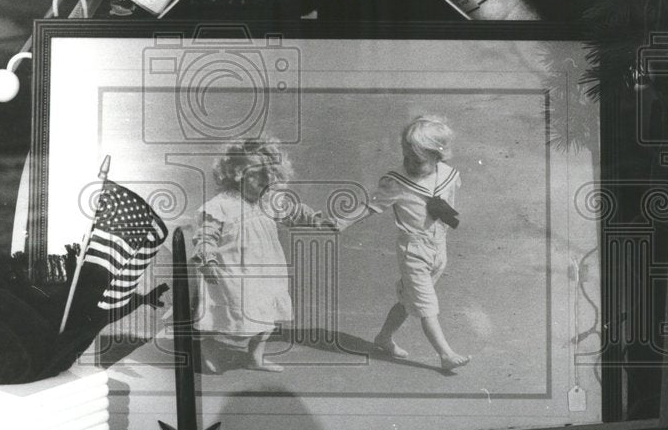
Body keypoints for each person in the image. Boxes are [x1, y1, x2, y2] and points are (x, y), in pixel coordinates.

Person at [191, 139, 333, 373]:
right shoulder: (221, 206)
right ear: (237, 173)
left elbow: (292, 212)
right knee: (235, 316)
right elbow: (206, 235)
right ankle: (208, 346)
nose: (266, 182)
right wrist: (208, 259)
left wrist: (313, 219)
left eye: (271, 176)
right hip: (235, 273)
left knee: (267, 316)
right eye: (259, 175)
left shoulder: (268, 201)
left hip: (266, 271)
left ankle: (255, 357)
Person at [344, 116, 470, 372]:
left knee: (407, 301)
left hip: (438, 249)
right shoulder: (396, 182)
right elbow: (371, 206)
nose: (410, 164)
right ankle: (445, 354)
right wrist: (342, 220)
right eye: (406, 157)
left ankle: (383, 338)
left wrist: (447, 219)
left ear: (438, 156)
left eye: (418, 160)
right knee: (427, 306)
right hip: (413, 251)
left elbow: (449, 203)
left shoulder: (448, 175)